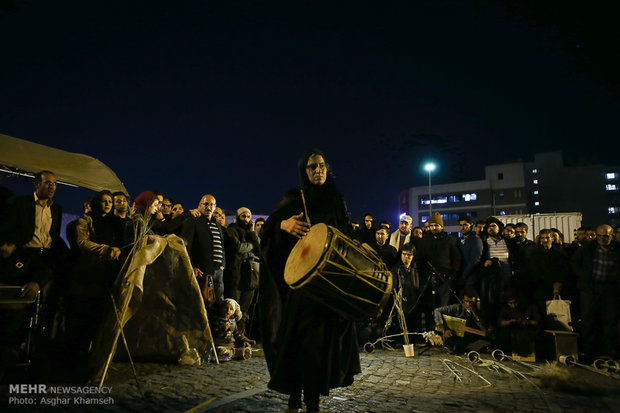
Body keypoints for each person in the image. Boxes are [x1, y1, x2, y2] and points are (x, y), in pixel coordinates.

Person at [259, 148, 360, 413]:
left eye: (322, 165)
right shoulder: (296, 198)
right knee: (299, 343)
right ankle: (295, 396)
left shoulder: (336, 199)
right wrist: (283, 226)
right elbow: (269, 228)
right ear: (304, 170)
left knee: (321, 345)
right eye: (312, 167)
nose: (318, 170)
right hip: (301, 287)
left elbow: (346, 234)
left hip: (329, 286)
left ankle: (313, 401)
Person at [570, 224, 619, 358]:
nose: (603, 239)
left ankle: (608, 350)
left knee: (609, 320)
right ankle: (589, 351)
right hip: (590, 289)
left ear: (612, 236)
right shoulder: (588, 248)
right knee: (588, 320)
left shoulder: (617, 249)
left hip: (610, 289)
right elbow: (574, 263)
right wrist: (583, 276)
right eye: (600, 236)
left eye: (606, 236)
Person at [181, 194, 226, 304]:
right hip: (202, 271)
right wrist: (193, 266)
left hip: (218, 271)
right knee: (201, 303)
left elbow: (221, 245)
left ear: (215, 207)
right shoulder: (193, 221)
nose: (209, 207)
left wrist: (223, 264)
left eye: (212, 205)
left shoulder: (217, 225)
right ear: (199, 205)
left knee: (218, 303)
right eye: (206, 204)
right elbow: (185, 246)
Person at [224, 207, 261, 335]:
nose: (246, 219)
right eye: (243, 216)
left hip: (250, 276)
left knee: (245, 309)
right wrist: (252, 246)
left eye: (248, 217)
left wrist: (252, 233)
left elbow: (259, 250)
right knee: (233, 307)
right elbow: (238, 247)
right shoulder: (231, 230)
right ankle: (231, 336)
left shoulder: (250, 233)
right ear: (238, 216)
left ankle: (242, 335)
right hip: (236, 274)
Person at [417, 212, 461, 308]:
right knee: (429, 306)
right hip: (428, 279)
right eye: (431, 225)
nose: (433, 228)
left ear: (441, 226)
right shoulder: (424, 241)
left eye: (436, 225)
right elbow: (419, 259)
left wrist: (451, 276)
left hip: (445, 279)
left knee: (443, 306)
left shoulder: (449, 240)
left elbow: (456, 260)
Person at [433, 287, 490, 353]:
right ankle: (459, 348)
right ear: (463, 300)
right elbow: (437, 310)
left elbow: (484, 330)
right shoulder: (457, 308)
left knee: (485, 342)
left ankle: (462, 349)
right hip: (456, 337)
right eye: (466, 301)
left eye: (471, 302)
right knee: (449, 339)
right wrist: (444, 330)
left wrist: (476, 315)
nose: (468, 304)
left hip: (470, 340)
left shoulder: (479, 311)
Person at [457, 216, 483, 292]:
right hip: (460, 275)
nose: (462, 227)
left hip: (471, 276)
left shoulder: (476, 240)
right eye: (461, 225)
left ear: (471, 226)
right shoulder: (459, 240)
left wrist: (464, 275)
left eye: (465, 225)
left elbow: (475, 260)